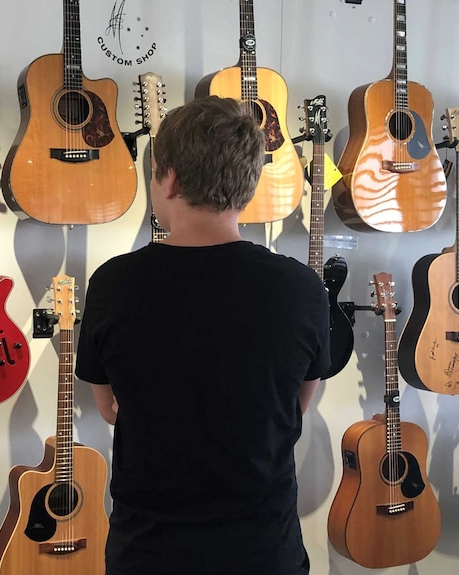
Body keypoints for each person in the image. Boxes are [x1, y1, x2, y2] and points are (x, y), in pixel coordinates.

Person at [74, 96, 330, 575]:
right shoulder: (302, 287)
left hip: (150, 552)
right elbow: (295, 406)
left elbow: (109, 408)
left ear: (168, 178)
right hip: (264, 551)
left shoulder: (114, 283)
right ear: (248, 185)